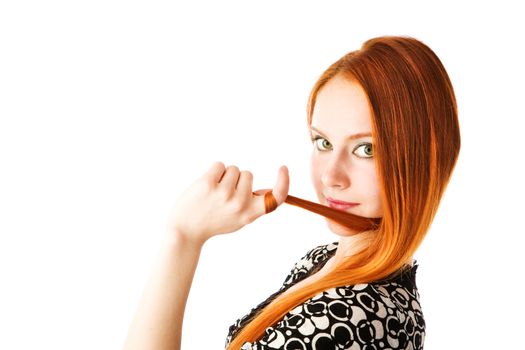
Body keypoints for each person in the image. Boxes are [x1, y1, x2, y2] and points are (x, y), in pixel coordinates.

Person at [122, 35, 461, 350]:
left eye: (366, 149)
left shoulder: (348, 316)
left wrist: (181, 238)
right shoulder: (325, 260)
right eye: (323, 143)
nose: (331, 176)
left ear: (424, 159)